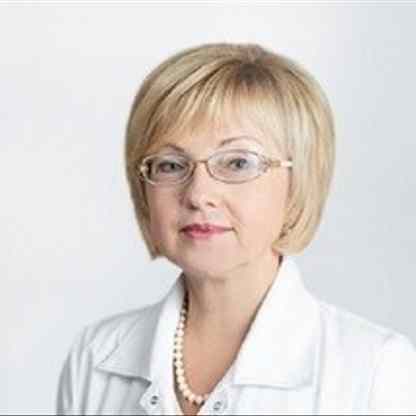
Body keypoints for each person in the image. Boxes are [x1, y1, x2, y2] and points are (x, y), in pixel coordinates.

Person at [56, 42, 416, 415]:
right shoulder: (95, 358)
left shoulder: (374, 370)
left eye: (238, 163)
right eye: (171, 165)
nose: (199, 194)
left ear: (298, 181)